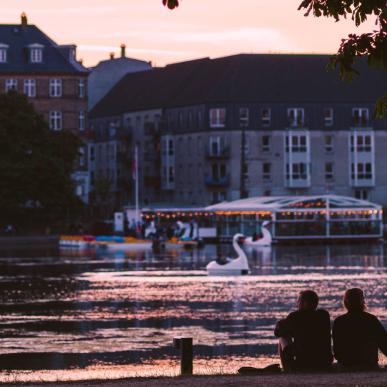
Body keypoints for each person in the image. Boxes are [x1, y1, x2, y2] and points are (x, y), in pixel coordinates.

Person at [274, 290, 333, 371]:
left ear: (304, 303)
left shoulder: (295, 316)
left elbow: (277, 333)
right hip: (325, 362)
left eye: (299, 301)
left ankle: (287, 368)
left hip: (302, 363)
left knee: (283, 338)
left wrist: (280, 323)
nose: (298, 304)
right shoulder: (323, 315)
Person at [332, 288, 387, 369]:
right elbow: (383, 343)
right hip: (368, 363)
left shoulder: (339, 321)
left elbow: (337, 348)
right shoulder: (371, 319)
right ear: (362, 302)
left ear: (346, 302)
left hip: (346, 364)